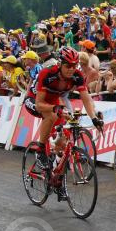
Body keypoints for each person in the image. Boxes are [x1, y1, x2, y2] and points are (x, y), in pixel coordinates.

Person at [23, 47, 103, 184]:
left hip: (55, 98)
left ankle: (56, 172)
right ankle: (41, 149)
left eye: (74, 65)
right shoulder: (47, 74)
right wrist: (55, 108)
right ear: (59, 64)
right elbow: (40, 104)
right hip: (35, 99)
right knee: (52, 116)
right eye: (68, 66)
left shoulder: (77, 75)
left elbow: (85, 98)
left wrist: (94, 118)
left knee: (64, 134)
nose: (71, 69)